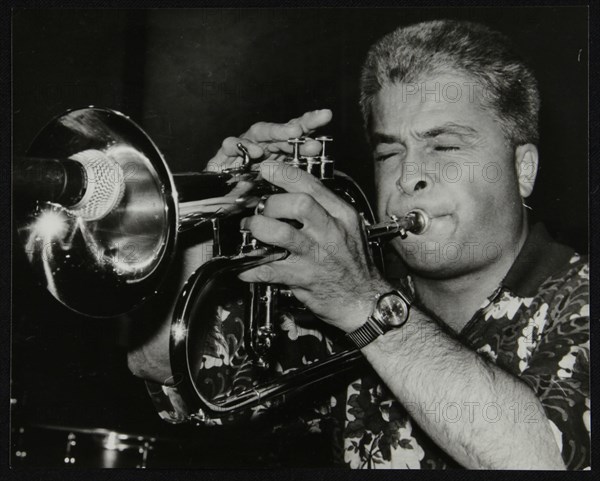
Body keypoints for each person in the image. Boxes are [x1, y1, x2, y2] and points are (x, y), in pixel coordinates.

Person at [130, 19, 589, 469]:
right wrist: (211, 214)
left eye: (444, 147)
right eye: (389, 153)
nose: (409, 177)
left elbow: (544, 457)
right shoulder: (353, 295)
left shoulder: (579, 300)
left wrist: (363, 305)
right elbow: (168, 371)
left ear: (523, 170)